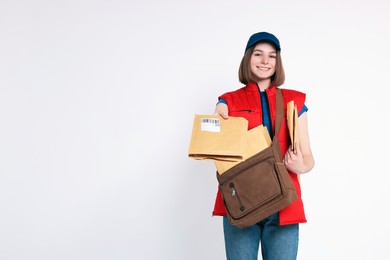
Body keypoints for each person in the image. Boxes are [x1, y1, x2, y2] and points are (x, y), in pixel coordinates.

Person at [212, 32, 315, 260]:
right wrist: (219, 112)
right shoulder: (228, 101)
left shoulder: (295, 101)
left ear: (278, 62)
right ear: (248, 58)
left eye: (272, 56)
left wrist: (301, 164)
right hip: (241, 201)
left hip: (284, 204)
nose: (265, 61)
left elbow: (308, 158)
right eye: (258, 54)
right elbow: (218, 147)